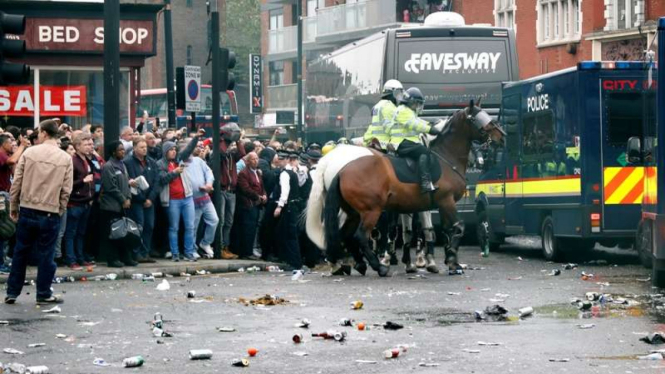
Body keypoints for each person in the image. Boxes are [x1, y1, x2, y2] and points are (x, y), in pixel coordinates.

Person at [5, 119, 73, 305]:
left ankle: (12, 292)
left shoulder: (29, 153)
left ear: (43, 133)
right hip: (49, 211)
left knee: (21, 253)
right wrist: (59, 209)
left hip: (28, 208)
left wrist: (14, 206)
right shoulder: (65, 158)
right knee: (46, 254)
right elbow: (66, 189)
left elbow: (16, 182)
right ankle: (43, 293)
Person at [387, 86, 442, 193]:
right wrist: (430, 129)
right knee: (425, 152)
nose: (419, 106)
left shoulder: (407, 111)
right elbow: (414, 124)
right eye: (417, 103)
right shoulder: (403, 111)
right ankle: (425, 182)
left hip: (404, 141)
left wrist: (431, 124)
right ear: (411, 101)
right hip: (401, 142)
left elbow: (418, 121)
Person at [157, 132, 202, 262]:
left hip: (187, 198)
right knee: (174, 227)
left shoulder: (179, 160)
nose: (174, 152)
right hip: (172, 200)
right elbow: (162, 179)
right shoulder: (160, 164)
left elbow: (188, 150)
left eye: (175, 149)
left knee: (190, 226)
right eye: (171, 150)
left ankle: (189, 253)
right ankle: (175, 253)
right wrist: (174, 173)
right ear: (165, 151)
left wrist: (196, 138)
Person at [124, 137, 160, 263]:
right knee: (138, 226)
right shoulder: (127, 162)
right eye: (141, 147)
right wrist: (142, 198)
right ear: (134, 148)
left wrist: (150, 198)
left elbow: (157, 181)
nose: (145, 149)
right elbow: (128, 181)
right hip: (136, 201)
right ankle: (136, 252)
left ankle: (145, 252)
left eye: (145, 147)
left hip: (150, 200)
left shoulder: (151, 162)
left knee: (149, 226)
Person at [100, 141, 135, 268]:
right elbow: (111, 187)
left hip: (122, 206)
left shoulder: (122, 165)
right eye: (120, 150)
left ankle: (125, 257)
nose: (123, 151)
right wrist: (123, 199)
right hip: (111, 206)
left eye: (123, 149)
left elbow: (127, 183)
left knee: (123, 233)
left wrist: (129, 197)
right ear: (113, 152)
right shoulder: (108, 166)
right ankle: (112, 259)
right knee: (112, 234)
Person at [63, 133, 96, 270]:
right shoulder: (73, 161)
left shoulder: (86, 160)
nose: (90, 147)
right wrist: (83, 181)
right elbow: (68, 183)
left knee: (81, 233)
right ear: (77, 146)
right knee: (71, 232)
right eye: (87, 144)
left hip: (86, 202)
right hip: (75, 202)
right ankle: (71, 260)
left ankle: (80, 258)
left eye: (91, 144)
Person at [183, 139, 217, 259]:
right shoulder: (181, 162)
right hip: (191, 199)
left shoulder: (199, 160)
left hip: (204, 197)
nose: (199, 148)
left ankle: (205, 243)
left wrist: (209, 184)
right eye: (195, 146)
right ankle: (192, 249)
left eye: (200, 146)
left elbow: (209, 173)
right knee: (193, 226)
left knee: (214, 220)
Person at [0, 133, 29, 273]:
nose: (13, 145)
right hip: (1, 195)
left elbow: (14, 170)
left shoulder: (6, 156)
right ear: (3, 144)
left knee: (6, 231)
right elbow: (11, 161)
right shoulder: (1, 154)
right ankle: (1, 263)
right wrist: (22, 146)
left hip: (6, 194)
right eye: (10, 142)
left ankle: (3, 259)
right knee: (3, 230)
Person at [218, 123, 245, 259]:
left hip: (231, 191)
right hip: (222, 191)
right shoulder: (220, 153)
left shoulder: (232, 156)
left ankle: (226, 247)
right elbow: (221, 153)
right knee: (221, 220)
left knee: (229, 221)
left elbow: (242, 153)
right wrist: (223, 139)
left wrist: (238, 140)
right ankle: (220, 247)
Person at [274, 150, 303, 270]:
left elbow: (285, 192)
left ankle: (295, 263)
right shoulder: (292, 172)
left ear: (286, 160)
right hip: (294, 206)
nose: (279, 161)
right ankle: (290, 260)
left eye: (281, 159)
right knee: (287, 233)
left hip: (289, 207)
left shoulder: (285, 174)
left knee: (290, 235)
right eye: (278, 159)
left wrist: (279, 206)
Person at [236, 152, 266, 259]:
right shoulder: (243, 173)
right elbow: (246, 189)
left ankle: (250, 250)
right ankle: (246, 252)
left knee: (253, 228)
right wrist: (258, 196)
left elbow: (262, 186)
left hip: (257, 204)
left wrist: (264, 195)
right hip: (248, 204)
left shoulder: (257, 173)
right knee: (247, 229)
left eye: (257, 159)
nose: (256, 161)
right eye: (253, 159)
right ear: (248, 161)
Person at [363, 80, 403, 149]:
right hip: (384, 145)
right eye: (398, 94)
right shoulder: (389, 107)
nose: (399, 97)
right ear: (393, 94)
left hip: (372, 141)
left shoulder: (377, 106)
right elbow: (393, 129)